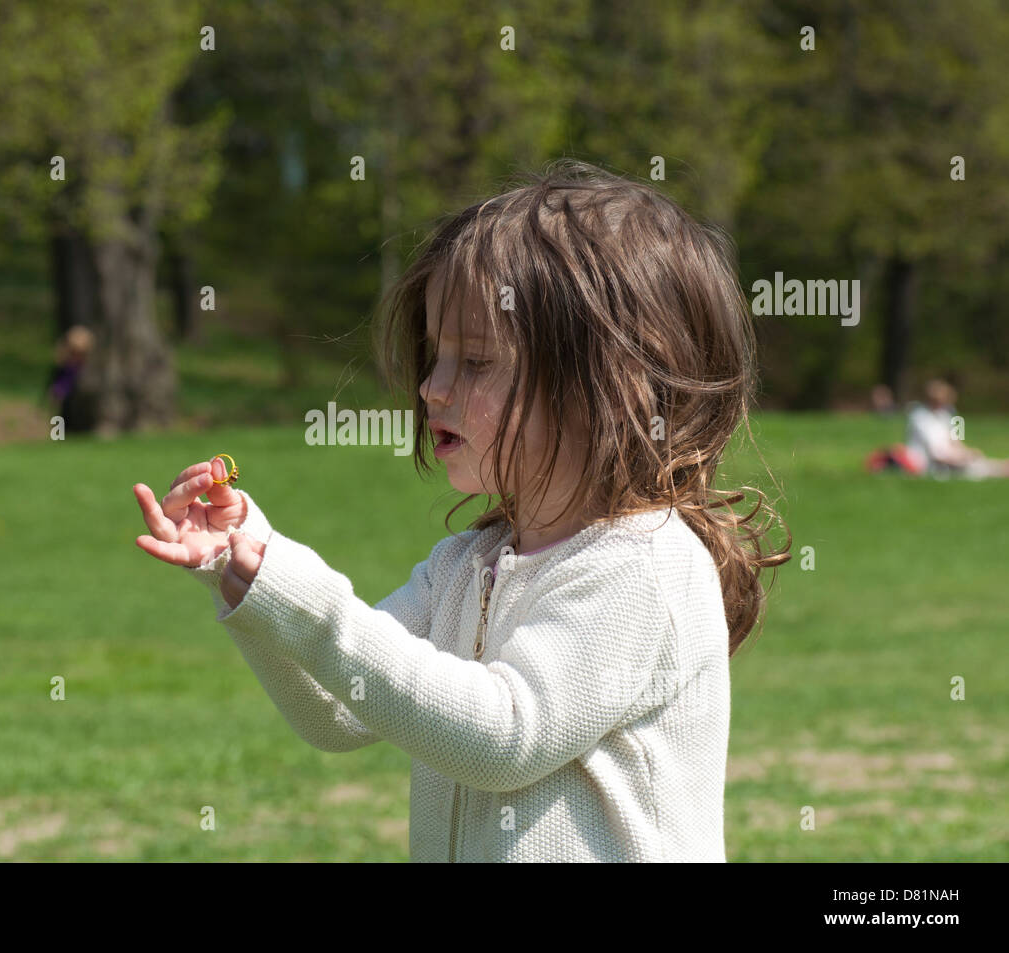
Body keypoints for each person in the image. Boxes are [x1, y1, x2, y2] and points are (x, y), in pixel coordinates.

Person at [132, 160, 790, 862]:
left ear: (606, 385)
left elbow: (505, 735)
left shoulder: (642, 566)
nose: (430, 388)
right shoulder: (461, 568)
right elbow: (336, 706)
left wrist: (305, 595)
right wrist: (250, 577)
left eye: (474, 361)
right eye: (434, 355)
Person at [904, 379, 1009, 479]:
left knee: (985, 464)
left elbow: (955, 441)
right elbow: (937, 454)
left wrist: (967, 453)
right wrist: (964, 457)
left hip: (951, 460)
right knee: (983, 470)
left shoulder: (944, 415)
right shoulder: (920, 418)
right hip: (932, 466)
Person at [45, 325, 97, 433]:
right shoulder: (65, 367)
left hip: (76, 395)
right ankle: (58, 434)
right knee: (58, 413)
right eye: (73, 352)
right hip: (63, 391)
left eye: (80, 353)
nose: (76, 356)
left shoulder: (85, 369)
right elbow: (58, 380)